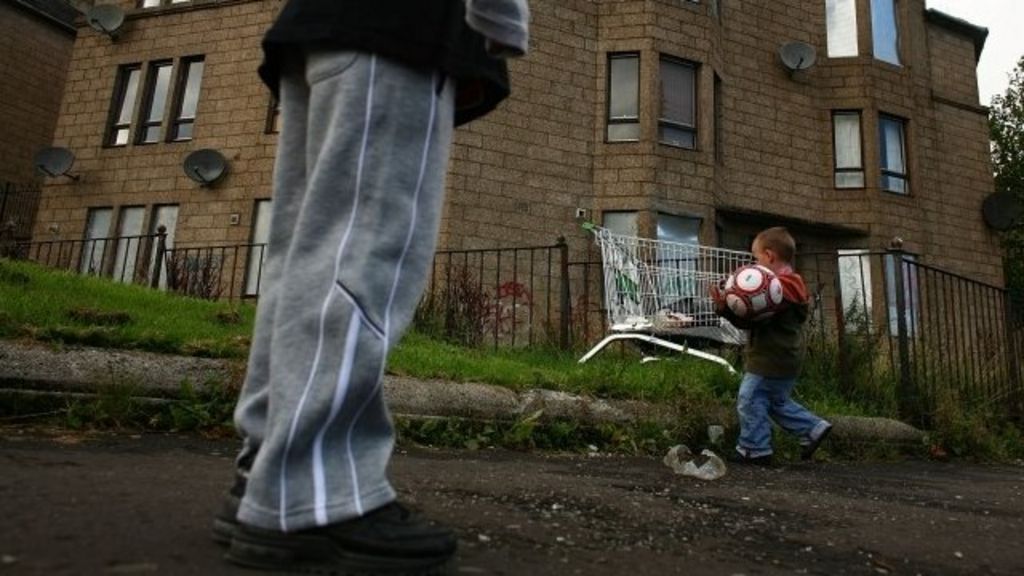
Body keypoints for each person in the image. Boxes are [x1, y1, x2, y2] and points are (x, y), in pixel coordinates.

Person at [211, 1, 529, 573]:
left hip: (322, 27)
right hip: (397, 28)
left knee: (302, 258)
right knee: (364, 253)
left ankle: (265, 469)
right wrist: (502, 19)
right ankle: (310, 492)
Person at [710, 227, 832, 466]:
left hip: (770, 356)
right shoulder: (791, 286)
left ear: (769, 256)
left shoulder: (773, 289)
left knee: (750, 397)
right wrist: (726, 307)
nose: (755, 264)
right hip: (788, 356)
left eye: (756, 258)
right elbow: (751, 320)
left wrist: (728, 305)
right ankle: (813, 428)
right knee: (776, 402)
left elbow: (750, 319)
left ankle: (754, 448)